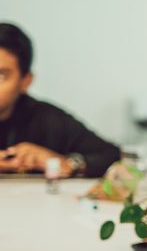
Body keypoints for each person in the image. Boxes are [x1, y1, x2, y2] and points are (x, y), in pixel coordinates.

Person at [0, 22, 119, 178]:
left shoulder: (46, 118)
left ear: (26, 81)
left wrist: (68, 163)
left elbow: (111, 156)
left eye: (1, 76)